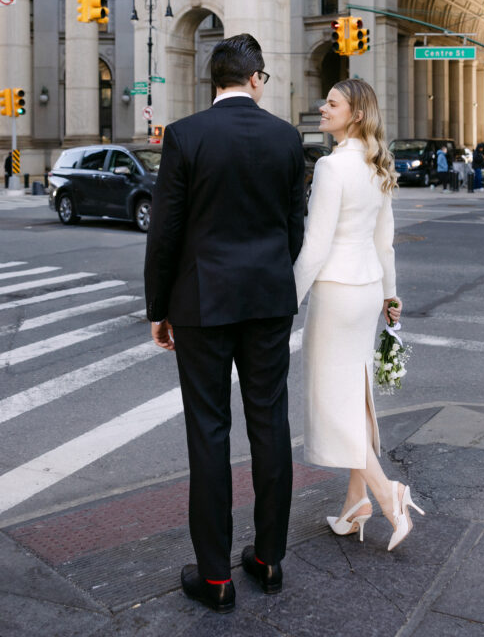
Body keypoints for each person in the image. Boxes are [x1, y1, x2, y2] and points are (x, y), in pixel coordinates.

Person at [144, 34, 306, 614]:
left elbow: (164, 232)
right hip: (266, 300)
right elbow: (295, 228)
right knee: (270, 423)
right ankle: (268, 559)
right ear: (257, 77)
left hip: (201, 304)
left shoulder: (185, 135)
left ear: (214, 80)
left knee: (208, 433)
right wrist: (267, 275)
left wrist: (159, 309)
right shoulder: (288, 137)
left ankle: (215, 577)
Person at [294, 79, 425, 552]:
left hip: (335, 292)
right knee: (355, 395)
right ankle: (355, 505)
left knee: (333, 403)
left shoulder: (331, 166)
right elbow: (383, 241)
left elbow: (315, 247)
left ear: (353, 114)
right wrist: (391, 295)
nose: (322, 108)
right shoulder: (376, 165)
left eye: (332, 103)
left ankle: (388, 493)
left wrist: (286, 301)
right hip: (367, 290)